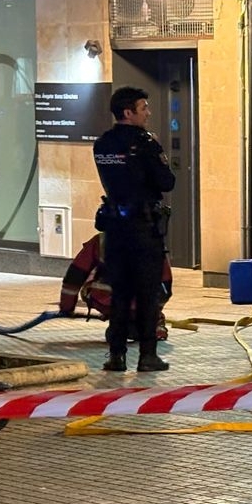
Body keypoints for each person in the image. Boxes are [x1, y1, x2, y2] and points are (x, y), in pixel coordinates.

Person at [92, 86, 175, 373]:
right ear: (128, 113)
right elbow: (166, 182)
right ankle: (147, 355)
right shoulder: (145, 144)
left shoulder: (102, 144)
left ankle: (116, 356)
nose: (148, 113)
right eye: (144, 108)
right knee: (148, 293)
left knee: (120, 294)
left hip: (115, 229)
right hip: (143, 229)